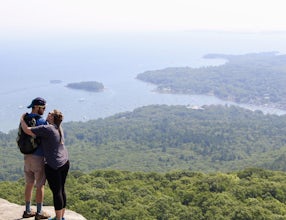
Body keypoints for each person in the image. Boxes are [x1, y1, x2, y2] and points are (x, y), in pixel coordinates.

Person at [21, 109, 70, 220]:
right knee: (62, 189)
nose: (48, 113)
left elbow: (27, 130)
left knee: (56, 192)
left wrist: (22, 119)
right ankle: (61, 217)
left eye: (50, 113)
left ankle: (58, 219)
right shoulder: (59, 128)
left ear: (52, 118)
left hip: (54, 165)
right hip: (65, 161)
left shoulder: (47, 129)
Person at [22, 97, 51, 220]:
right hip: (38, 157)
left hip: (27, 156)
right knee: (40, 185)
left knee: (29, 183)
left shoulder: (25, 119)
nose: (44, 110)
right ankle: (39, 212)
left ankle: (28, 210)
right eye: (43, 108)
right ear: (37, 107)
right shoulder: (41, 122)